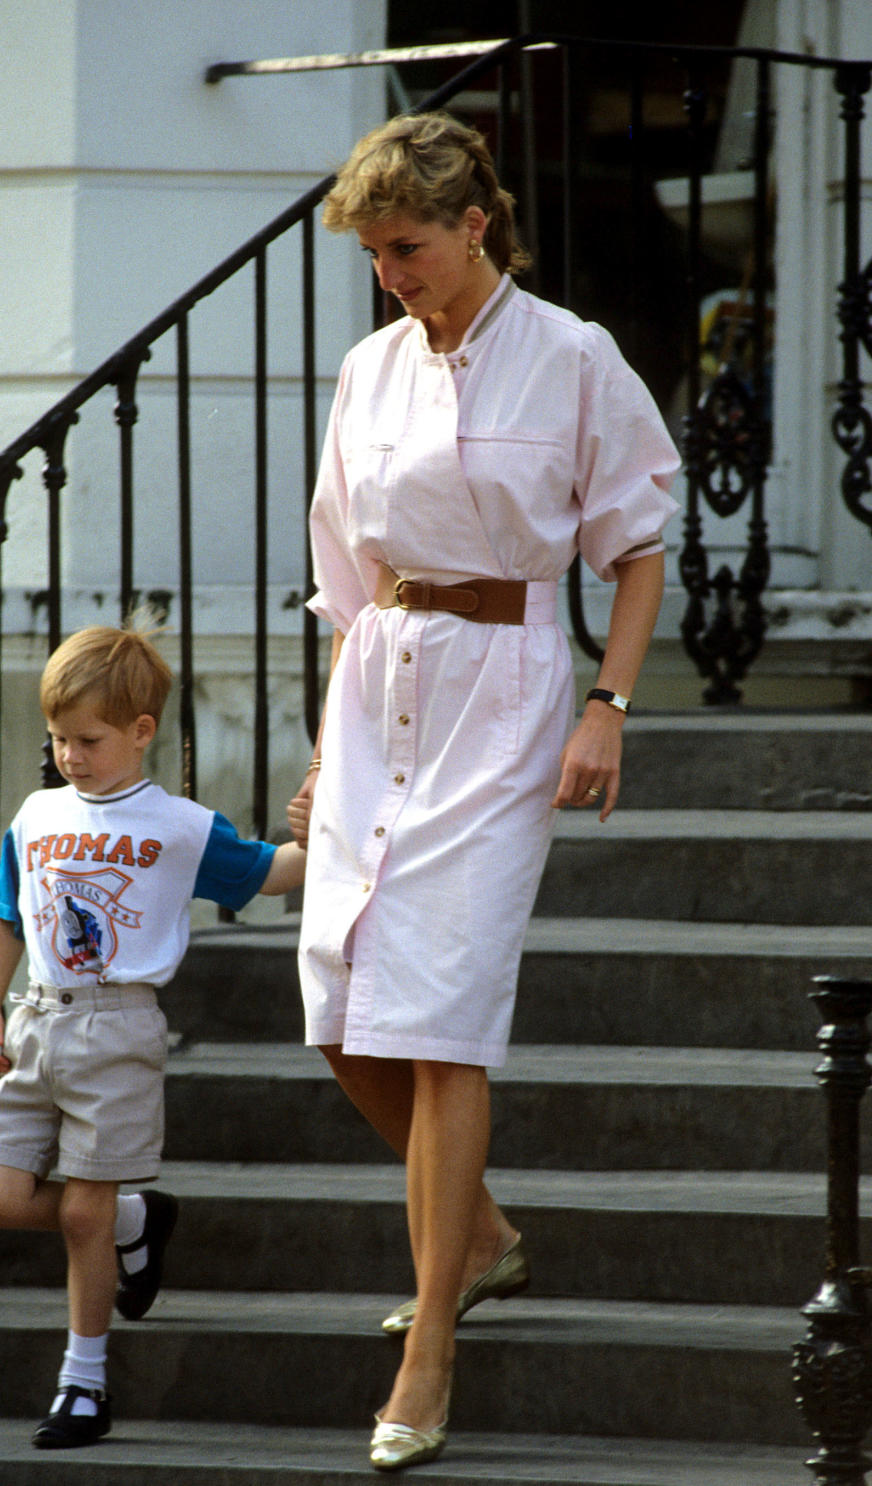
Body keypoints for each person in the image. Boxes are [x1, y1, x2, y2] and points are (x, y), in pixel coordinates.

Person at [286, 111, 680, 1472]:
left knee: (444, 1018)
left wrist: (608, 705)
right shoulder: (367, 370)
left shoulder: (572, 357)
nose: (391, 271)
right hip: (378, 683)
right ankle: (489, 1232)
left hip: (506, 686)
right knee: (342, 1007)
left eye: (407, 246)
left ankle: (431, 1340)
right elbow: (345, 570)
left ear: (474, 225)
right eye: (375, 253)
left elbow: (636, 543)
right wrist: (327, 749)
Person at [0, 619, 305, 1450]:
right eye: (58, 739)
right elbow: (7, 909)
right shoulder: (38, 812)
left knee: (83, 1207)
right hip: (37, 1023)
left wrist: (340, 835)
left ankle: (83, 1384)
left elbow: (267, 873)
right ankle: (134, 1224)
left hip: (118, 1029)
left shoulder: (178, 825)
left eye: (87, 739)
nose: (69, 756)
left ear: (141, 732)